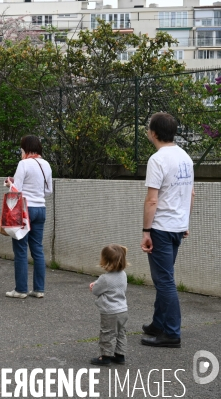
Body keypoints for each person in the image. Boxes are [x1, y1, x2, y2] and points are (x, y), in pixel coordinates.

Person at [140, 112, 194, 348]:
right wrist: (185, 222)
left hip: (161, 228)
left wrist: (146, 231)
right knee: (165, 278)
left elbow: (152, 200)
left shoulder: (158, 159)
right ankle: (158, 324)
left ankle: (171, 333)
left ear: (153, 133)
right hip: (177, 226)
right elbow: (190, 194)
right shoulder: (185, 157)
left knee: (164, 281)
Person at [5, 135, 53, 299]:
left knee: (20, 250)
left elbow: (16, 189)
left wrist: (9, 183)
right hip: (41, 208)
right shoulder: (46, 164)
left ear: (25, 148)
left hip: (25, 210)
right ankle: (39, 289)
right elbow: (48, 191)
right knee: (37, 250)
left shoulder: (23, 163)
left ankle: (21, 290)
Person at [89, 244, 129, 366]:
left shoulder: (104, 278)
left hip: (109, 311)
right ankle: (120, 355)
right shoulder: (123, 274)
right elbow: (115, 286)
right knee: (121, 332)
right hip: (122, 310)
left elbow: (96, 290)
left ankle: (105, 356)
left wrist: (93, 285)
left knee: (107, 333)